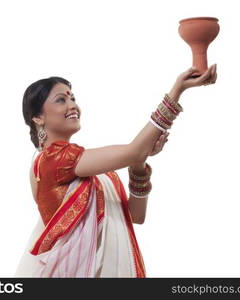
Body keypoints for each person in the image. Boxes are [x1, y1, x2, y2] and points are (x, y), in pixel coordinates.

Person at [15, 64, 217, 278]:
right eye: (61, 100)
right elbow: (135, 150)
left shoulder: (96, 174)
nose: (73, 105)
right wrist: (177, 91)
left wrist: (139, 163)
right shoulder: (53, 161)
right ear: (38, 117)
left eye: (73, 98)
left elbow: (135, 216)